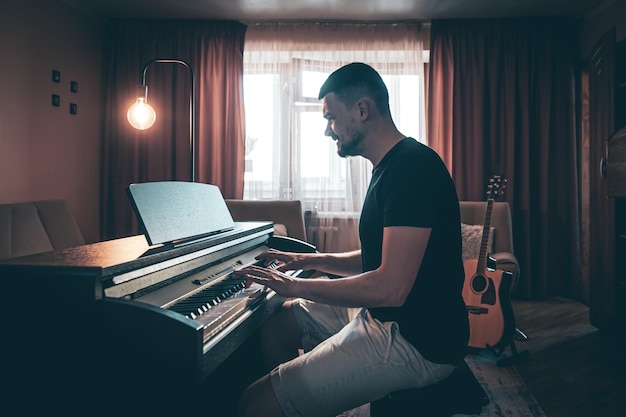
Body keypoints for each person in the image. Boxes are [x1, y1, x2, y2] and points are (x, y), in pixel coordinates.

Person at [234, 62, 469, 417]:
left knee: (254, 402)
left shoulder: (413, 169)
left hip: (416, 341)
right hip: (385, 317)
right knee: (278, 322)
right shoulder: (390, 167)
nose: (328, 131)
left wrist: (294, 286)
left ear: (362, 109)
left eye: (330, 117)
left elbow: (390, 287)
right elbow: (379, 259)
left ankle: (282, 401)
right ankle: (297, 401)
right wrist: (310, 262)